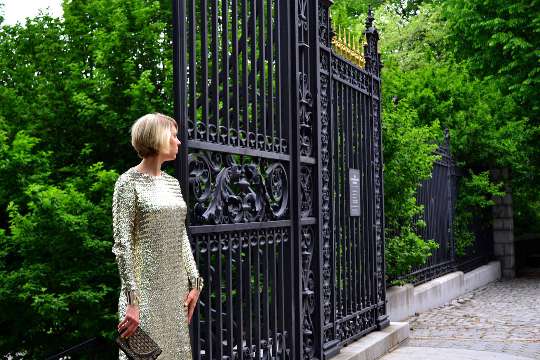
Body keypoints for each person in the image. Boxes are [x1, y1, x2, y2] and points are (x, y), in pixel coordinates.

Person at [112, 113, 203, 359]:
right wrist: (132, 300)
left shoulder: (173, 184)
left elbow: (180, 234)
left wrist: (195, 282)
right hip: (143, 298)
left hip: (175, 294)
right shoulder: (127, 183)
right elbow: (122, 245)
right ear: (158, 137)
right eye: (174, 136)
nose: (178, 142)